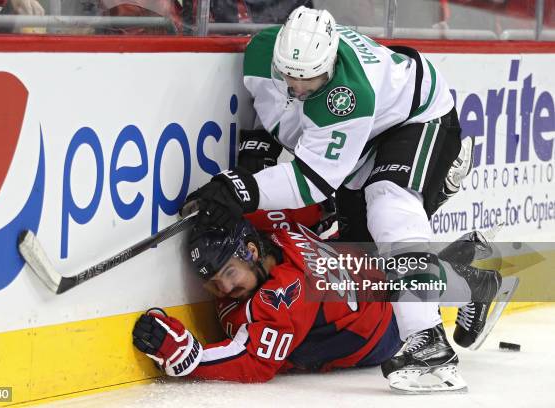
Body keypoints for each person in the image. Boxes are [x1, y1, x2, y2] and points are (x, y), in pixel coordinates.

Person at [178, 6, 503, 393]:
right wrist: (255, 155)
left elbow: (309, 182)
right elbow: (271, 113)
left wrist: (240, 189)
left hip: (415, 117)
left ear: (330, 65)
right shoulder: (262, 53)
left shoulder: (346, 97)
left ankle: (428, 343)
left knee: (391, 206)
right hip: (367, 135)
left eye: (310, 79)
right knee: (363, 259)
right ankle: (472, 282)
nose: (297, 87)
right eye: (289, 77)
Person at [132, 208, 403, 383]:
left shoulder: (286, 293)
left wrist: (190, 357)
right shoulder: (271, 234)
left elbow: (256, 363)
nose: (224, 290)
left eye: (229, 273)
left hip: (381, 333)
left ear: (251, 251)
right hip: (370, 279)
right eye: (214, 282)